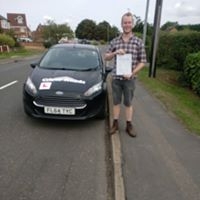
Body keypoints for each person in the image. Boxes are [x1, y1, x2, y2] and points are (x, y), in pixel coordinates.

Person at [104, 12, 147, 137]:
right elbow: (106, 57)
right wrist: (115, 52)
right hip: (116, 78)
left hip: (130, 79)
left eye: (129, 22)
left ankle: (129, 125)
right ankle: (115, 124)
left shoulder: (138, 42)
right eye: (125, 22)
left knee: (128, 103)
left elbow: (143, 61)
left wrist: (132, 72)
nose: (127, 25)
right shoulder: (115, 41)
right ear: (121, 24)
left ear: (132, 24)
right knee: (116, 102)